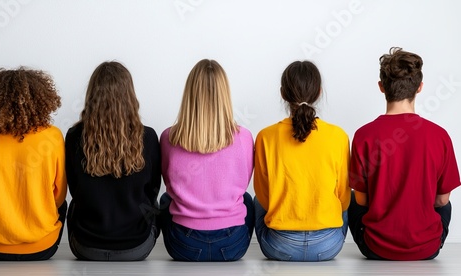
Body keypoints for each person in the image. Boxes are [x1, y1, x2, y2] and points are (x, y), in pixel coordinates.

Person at [348, 47, 461, 260]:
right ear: (419, 88)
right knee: (445, 202)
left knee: (352, 197)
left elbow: (362, 202)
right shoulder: (439, 135)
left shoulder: (364, 135)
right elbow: (442, 201)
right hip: (427, 249)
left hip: (376, 248)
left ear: (381, 87)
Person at [254, 61, 350, 262]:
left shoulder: (265, 136)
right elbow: (343, 198)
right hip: (328, 246)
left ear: (282, 93)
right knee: (346, 196)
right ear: (319, 92)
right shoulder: (338, 136)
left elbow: (263, 197)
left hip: (279, 246)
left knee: (254, 200)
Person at [158, 59, 254, 262]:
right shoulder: (244, 137)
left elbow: (169, 183)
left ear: (190, 94)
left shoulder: (169, 138)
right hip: (231, 246)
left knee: (166, 200)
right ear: (224, 95)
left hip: (184, 246)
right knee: (246, 199)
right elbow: (242, 183)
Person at [66, 61, 161, 261]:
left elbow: (74, 189)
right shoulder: (149, 137)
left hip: (86, 246)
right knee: (157, 204)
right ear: (130, 95)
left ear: (92, 95)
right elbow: (152, 191)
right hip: (137, 246)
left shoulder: (75, 136)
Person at [0, 67, 67, 261]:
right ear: (41, 100)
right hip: (42, 248)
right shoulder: (53, 136)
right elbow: (59, 195)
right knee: (62, 205)